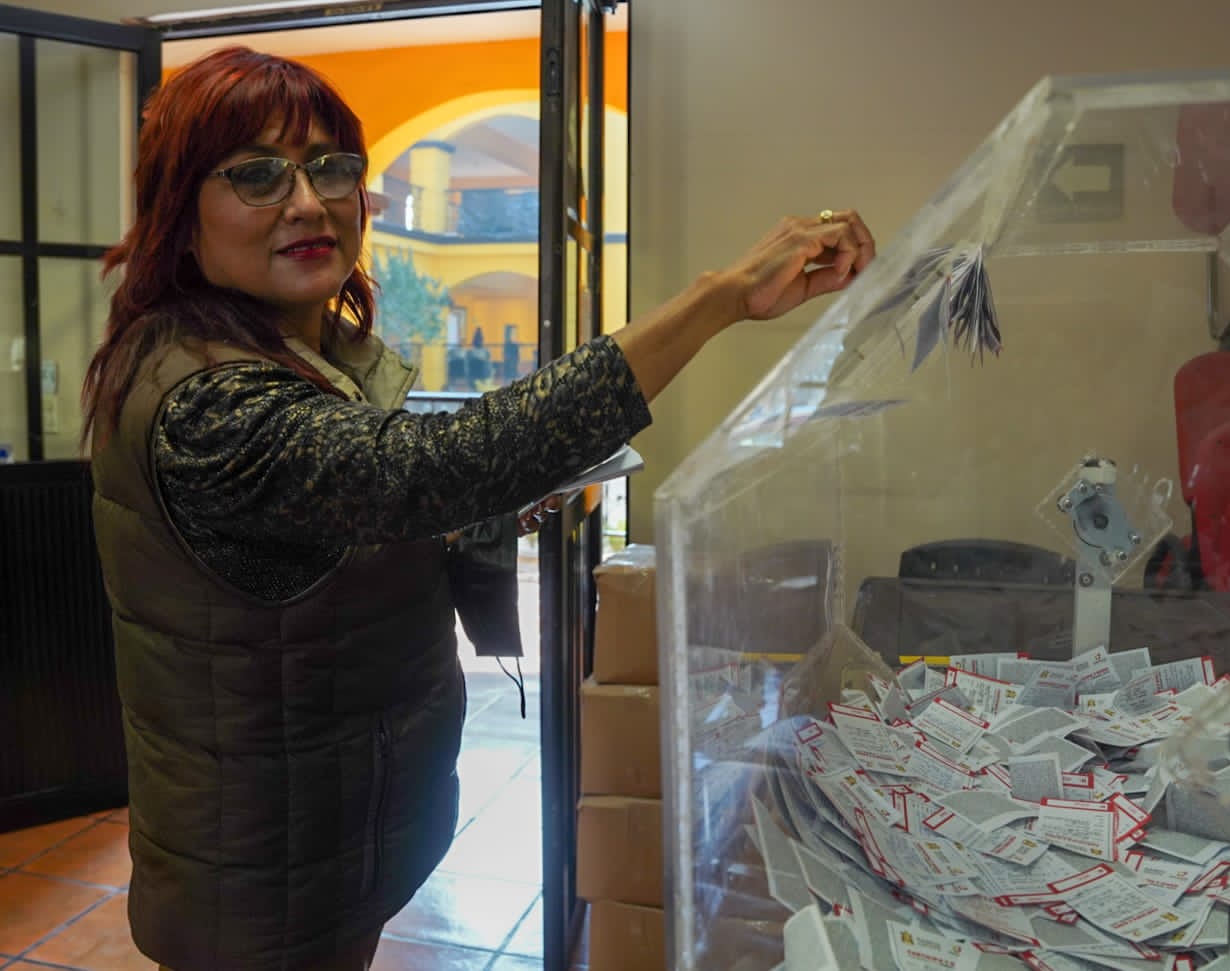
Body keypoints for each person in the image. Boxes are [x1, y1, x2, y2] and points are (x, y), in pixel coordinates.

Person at [82, 45, 875, 971]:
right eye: (257, 174)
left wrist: (474, 515)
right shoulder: (208, 401)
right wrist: (719, 298)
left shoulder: (289, 351)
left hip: (325, 830)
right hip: (263, 867)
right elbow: (430, 468)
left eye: (330, 167)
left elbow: (350, 521)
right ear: (180, 214)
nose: (306, 202)